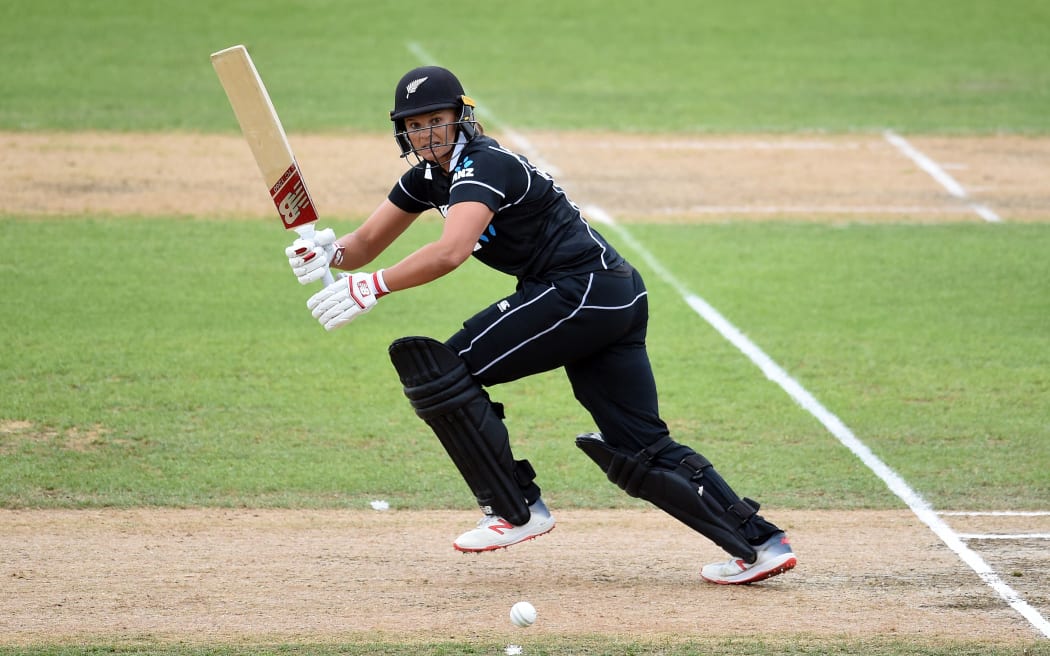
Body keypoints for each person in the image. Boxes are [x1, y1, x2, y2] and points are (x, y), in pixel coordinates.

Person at [285, 66, 797, 584]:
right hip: (609, 294)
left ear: (462, 118)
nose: (426, 134)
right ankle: (759, 544)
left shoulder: (486, 165)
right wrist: (328, 250)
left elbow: (450, 252)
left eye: (436, 120)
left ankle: (516, 509)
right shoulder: (426, 179)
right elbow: (365, 245)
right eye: (414, 125)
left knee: (442, 372)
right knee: (638, 443)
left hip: (580, 290)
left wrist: (373, 287)